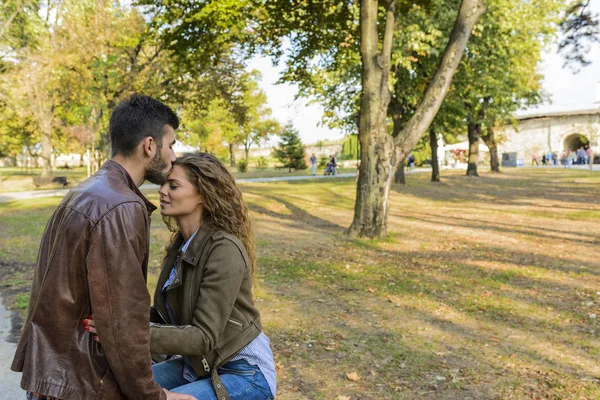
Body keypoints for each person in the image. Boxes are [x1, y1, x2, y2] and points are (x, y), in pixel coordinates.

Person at [11, 95, 194, 400]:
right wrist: (155, 396)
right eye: (170, 144)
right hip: (82, 381)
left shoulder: (87, 190)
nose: (174, 156)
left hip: (55, 375)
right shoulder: (121, 206)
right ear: (149, 146)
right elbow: (122, 318)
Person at [86, 153, 276, 400]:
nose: (162, 191)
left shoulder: (224, 249)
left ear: (203, 195)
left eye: (173, 185)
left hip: (244, 372)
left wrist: (125, 333)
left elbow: (203, 338)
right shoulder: (180, 247)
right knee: (118, 388)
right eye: (164, 183)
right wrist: (112, 318)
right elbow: (165, 317)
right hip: (197, 365)